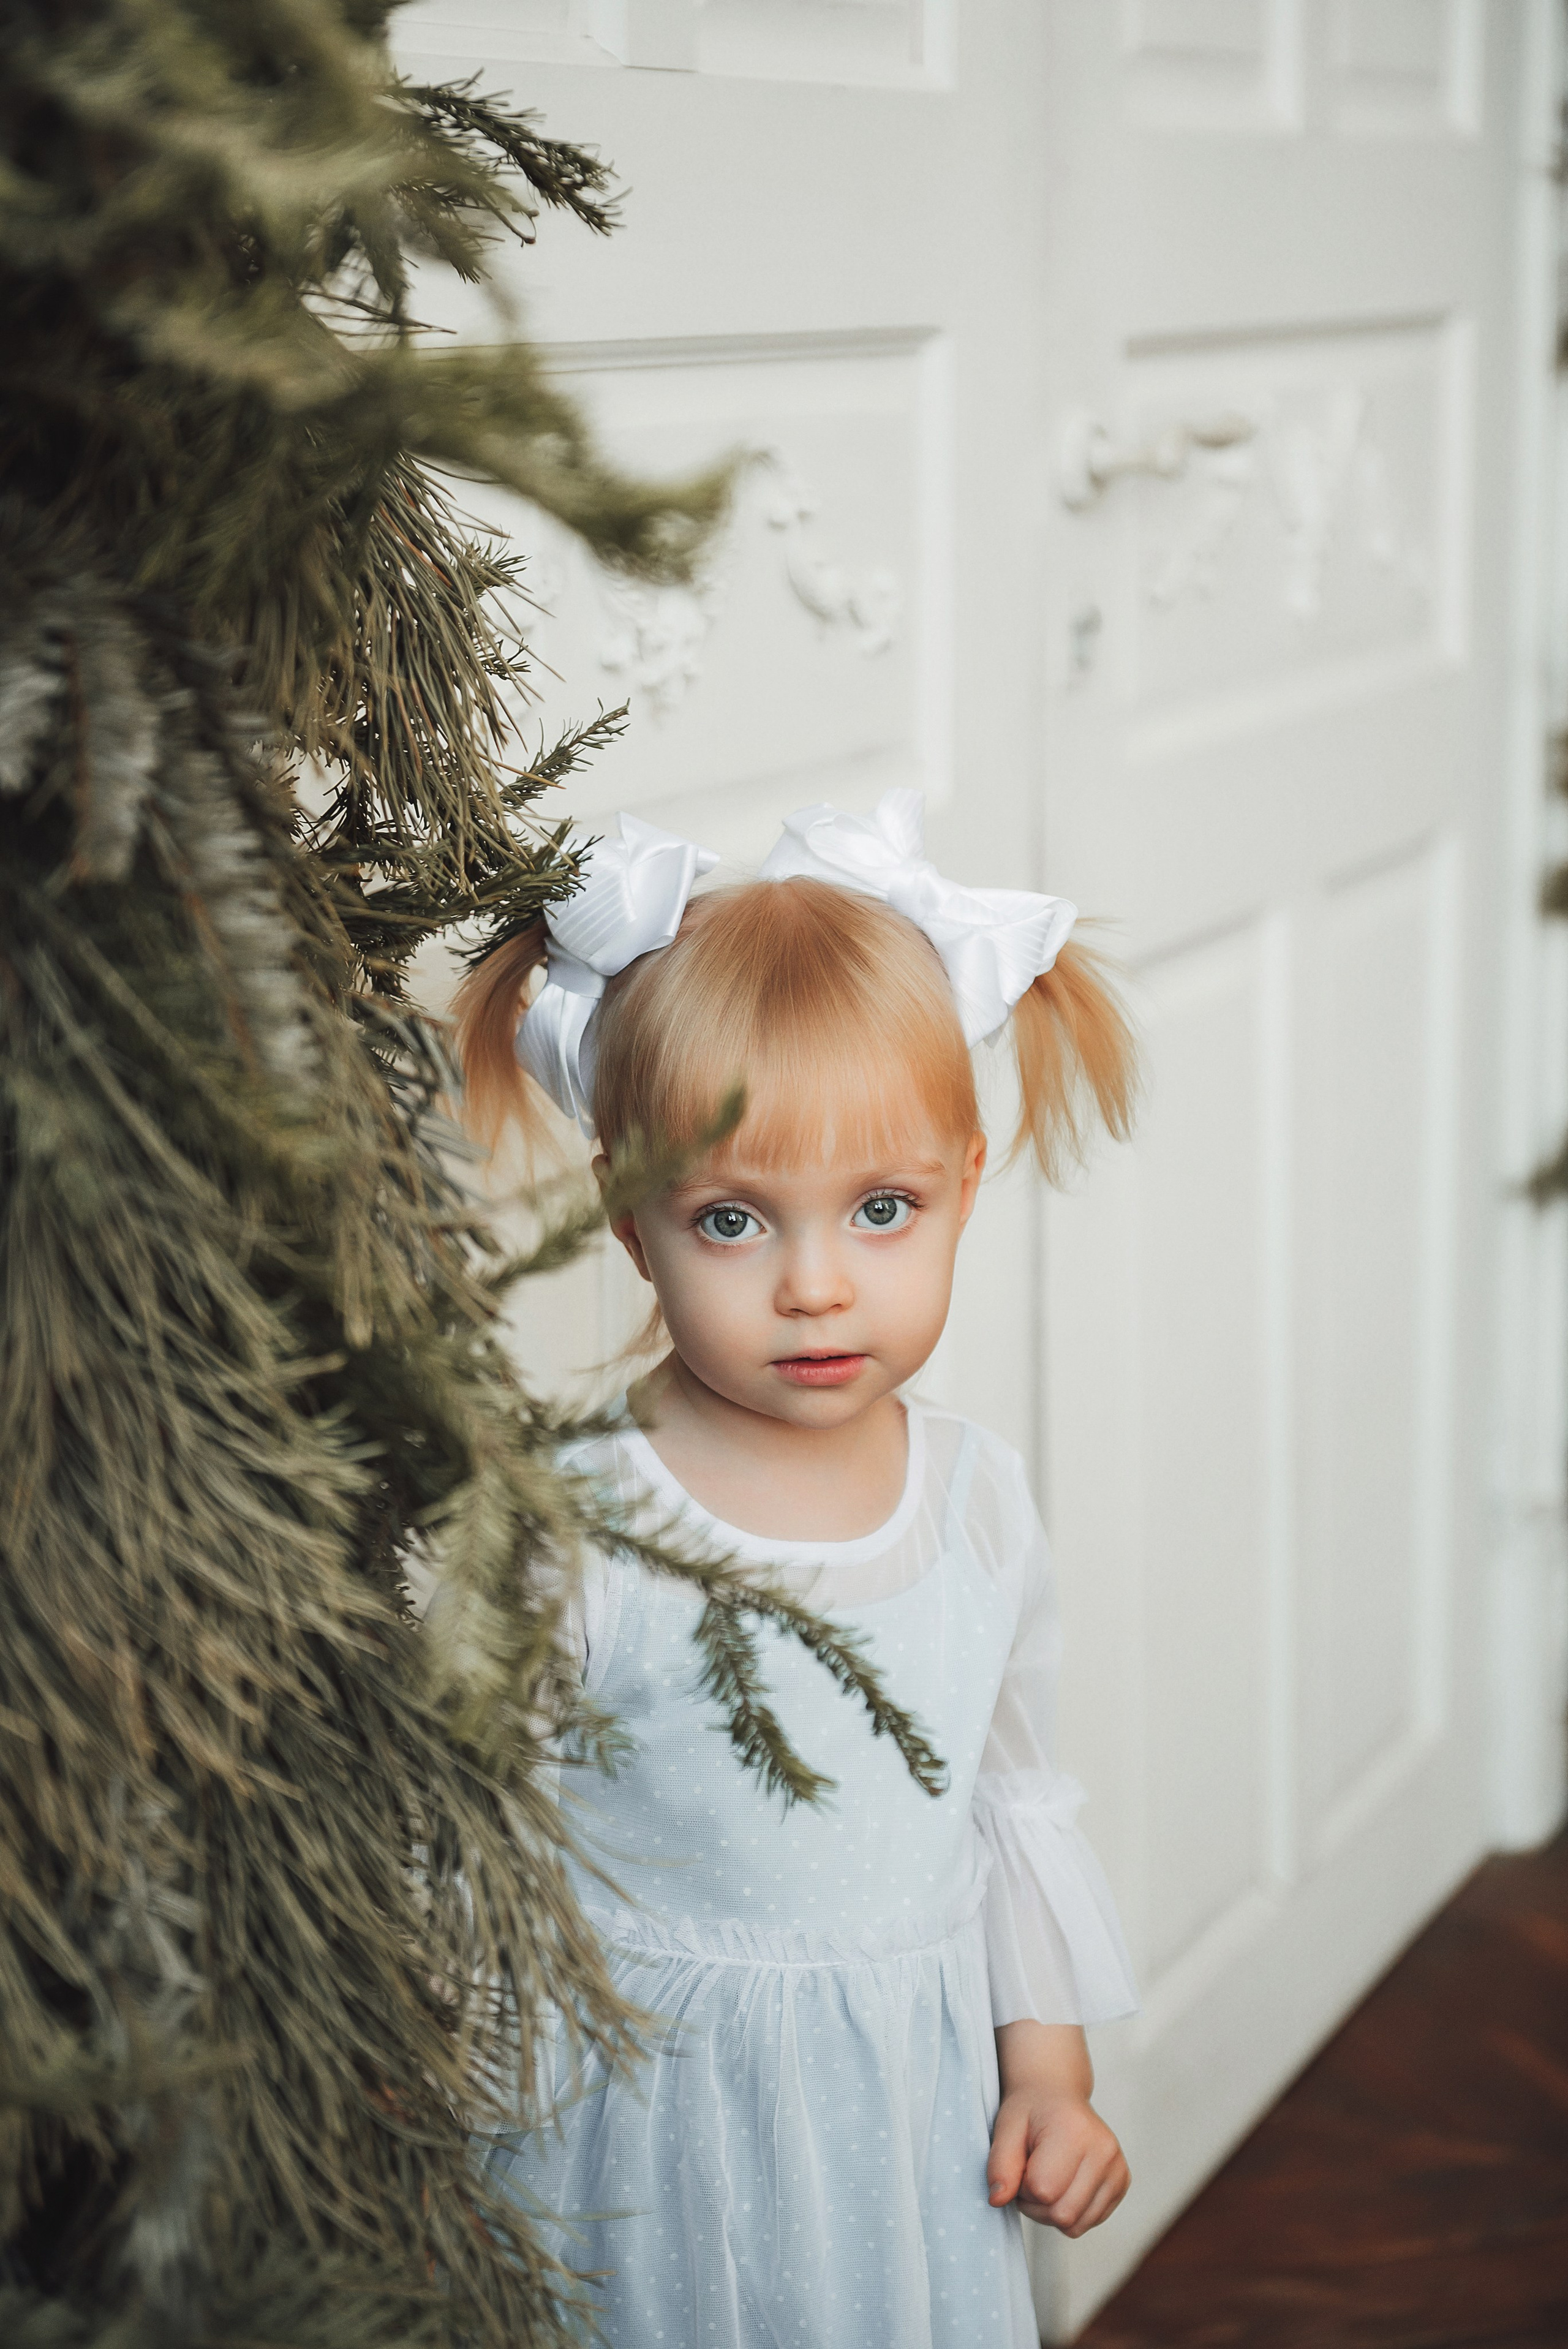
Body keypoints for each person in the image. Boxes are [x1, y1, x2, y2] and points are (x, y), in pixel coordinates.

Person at [455, 790, 1140, 2349]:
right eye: (732, 1219)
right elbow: (470, 1842)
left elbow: (1009, 1805)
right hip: (642, 2142)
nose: (816, 1285)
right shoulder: (576, 1518)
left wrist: (1046, 2075)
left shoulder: (975, 1504)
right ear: (628, 1217)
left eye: (881, 1209)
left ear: (965, 1181)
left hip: (908, 2133)